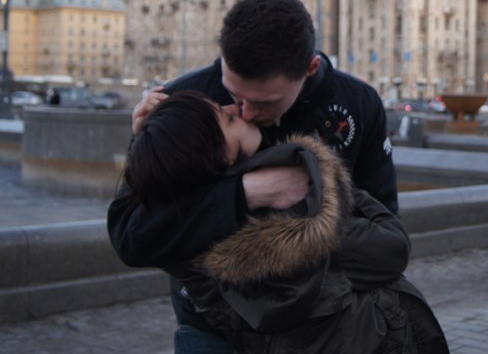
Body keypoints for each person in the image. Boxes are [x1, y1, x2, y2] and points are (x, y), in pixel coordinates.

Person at [107, 0, 399, 352]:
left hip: (321, 330)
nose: (243, 112)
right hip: (212, 331)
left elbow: (385, 227)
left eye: (263, 103)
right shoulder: (186, 97)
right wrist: (244, 193)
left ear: (309, 70)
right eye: (232, 95)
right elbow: (131, 236)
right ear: (223, 59)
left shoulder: (358, 102)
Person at [123, 90, 447, 353]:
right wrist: (329, 184)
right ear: (221, 157)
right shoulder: (296, 214)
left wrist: (147, 142)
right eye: (228, 118)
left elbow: (140, 211)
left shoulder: (184, 236)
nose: (236, 106)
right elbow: (392, 249)